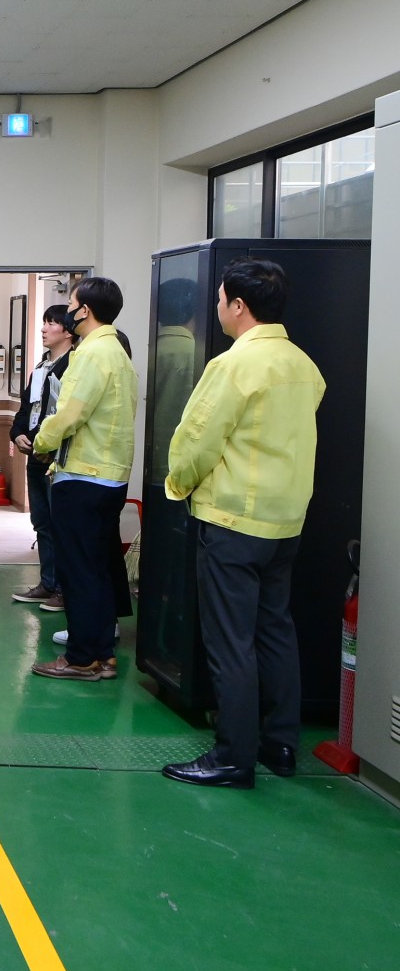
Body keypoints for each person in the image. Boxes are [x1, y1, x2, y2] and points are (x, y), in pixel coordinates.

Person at [161, 258, 325, 788]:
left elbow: (197, 440)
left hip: (233, 520)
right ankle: (280, 744)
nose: (216, 308)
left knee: (230, 641)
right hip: (286, 521)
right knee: (275, 630)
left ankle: (233, 757)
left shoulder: (233, 365)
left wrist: (178, 484)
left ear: (238, 306)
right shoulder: (302, 364)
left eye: (220, 299)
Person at [30, 276, 137, 680]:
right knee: (99, 568)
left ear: (85, 311)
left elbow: (70, 414)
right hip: (110, 476)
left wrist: (42, 441)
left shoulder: (91, 353)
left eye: (72, 305)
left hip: (83, 476)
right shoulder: (117, 351)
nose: (68, 311)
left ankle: (80, 659)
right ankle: (103, 655)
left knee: (78, 572)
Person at [9, 304, 72, 611]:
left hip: (57, 458)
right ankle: (48, 583)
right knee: (42, 523)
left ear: (68, 331)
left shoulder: (74, 365)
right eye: (44, 322)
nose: (44, 328)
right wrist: (17, 433)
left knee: (61, 525)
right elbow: (27, 408)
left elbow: (66, 415)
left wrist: (46, 444)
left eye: (51, 323)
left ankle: (63, 589)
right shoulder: (41, 366)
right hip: (34, 454)